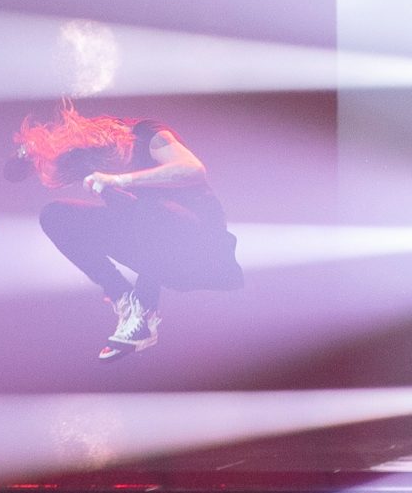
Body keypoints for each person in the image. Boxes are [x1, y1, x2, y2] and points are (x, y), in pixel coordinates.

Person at [13, 105, 244, 361]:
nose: (114, 172)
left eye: (115, 167)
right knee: (55, 215)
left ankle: (145, 310)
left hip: (202, 248)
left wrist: (120, 180)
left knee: (147, 207)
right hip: (161, 256)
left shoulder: (149, 135)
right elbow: (137, 230)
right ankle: (125, 300)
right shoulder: (99, 172)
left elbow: (193, 169)